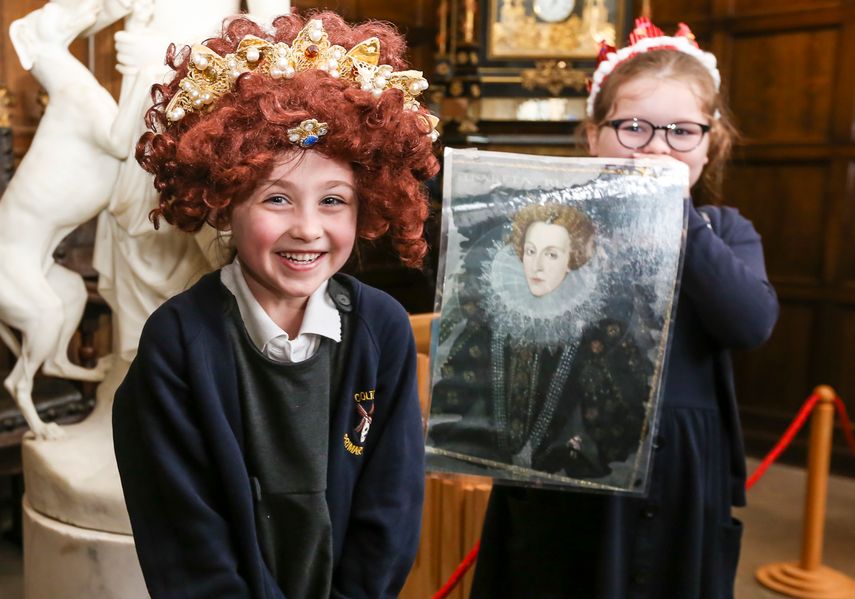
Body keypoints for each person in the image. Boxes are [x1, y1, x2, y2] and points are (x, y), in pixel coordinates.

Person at [111, 12, 439, 599]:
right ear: (221, 201)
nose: (308, 228)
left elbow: (390, 513)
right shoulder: (178, 343)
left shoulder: (381, 330)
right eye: (277, 198)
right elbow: (183, 537)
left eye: (333, 200)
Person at [469, 17, 779, 598]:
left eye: (682, 131)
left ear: (710, 144)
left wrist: (675, 213)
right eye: (633, 127)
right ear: (593, 135)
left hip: (681, 470)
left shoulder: (725, 230)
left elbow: (749, 322)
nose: (658, 146)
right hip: (568, 463)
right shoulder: (551, 229)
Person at [429, 198, 652, 482]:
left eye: (552, 255)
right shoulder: (491, 318)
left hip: (568, 482)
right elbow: (454, 399)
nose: (537, 266)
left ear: (572, 260)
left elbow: (613, 423)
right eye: (531, 251)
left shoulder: (594, 332)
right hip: (484, 478)